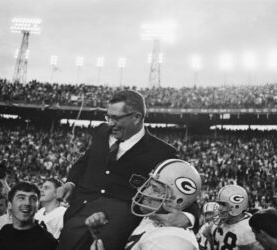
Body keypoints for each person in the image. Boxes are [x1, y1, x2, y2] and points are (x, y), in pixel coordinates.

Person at [57, 90, 199, 250]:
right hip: (78, 215)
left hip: (117, 227)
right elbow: (85, 161)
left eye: (116, 118)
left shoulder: (162, 152)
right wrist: (70, 183)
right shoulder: (101, 132)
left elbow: (183, 189)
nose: (110, 123)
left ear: (137, 117)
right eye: (108, 116)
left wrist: (188, 217)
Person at [86, 159, 201, 250]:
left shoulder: (172, 240)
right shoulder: (151, 216)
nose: (145, 192)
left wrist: (190, 217)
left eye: (155, 189)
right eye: (148, 185)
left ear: (178, 201)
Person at [0, 182, 57, 250]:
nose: (27, 203)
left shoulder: (48, 242)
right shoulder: (4, 232)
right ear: (10, 205)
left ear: (37, 207)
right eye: (21, 198)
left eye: (33, 199)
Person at [210, 185, 263, 250]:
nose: (219, 208)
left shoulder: (249, 230)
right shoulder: (218, 223)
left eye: (223, 204)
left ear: (237, 206)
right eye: (219, 204)